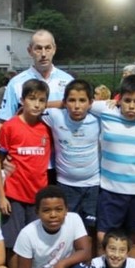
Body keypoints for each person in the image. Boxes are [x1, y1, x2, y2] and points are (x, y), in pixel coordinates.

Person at [0, 79, 52, 268]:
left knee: (37, 245)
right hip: (14, 196)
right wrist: (1, 195)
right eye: (32, 99)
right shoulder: (10, 126)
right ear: (22, 100)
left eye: (41, 100)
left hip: (39, 199)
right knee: (15, 246)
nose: (36, 104)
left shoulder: (47, 128)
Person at [91, 74, 135, 260]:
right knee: (103, 238)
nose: (131, 105)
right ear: (119, 98)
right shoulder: (106, 110)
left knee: (133, 240)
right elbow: (75, 102)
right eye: (127, 100)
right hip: (111, 190)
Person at [42, 79, 100, 254]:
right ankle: (66, 266)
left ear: (91, 103)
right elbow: (32, 106)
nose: (76, 106)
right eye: (72, 100)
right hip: (66, 185)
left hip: (93, 185)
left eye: (82, 101)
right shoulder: (54, 116)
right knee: (66, 228)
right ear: (64, 102)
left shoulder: (98, 119)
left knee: (90, 230)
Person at [0, 29, 73, 125]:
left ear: (54, 49)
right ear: (30, 51)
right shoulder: (16, 83)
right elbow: (4, 120)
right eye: (38, 48)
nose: (43, 54)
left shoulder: (69, 81)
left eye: (47, 48)